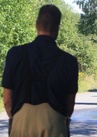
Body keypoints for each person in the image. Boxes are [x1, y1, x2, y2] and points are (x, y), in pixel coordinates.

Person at [2, 4, 78, 137]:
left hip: (21, 124)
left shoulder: (14, 54)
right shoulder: (69, 61)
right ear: (58, 27)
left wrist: (16, 119)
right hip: (54, 125)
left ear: (36, 25)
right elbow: (69, 106)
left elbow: (8, 100)